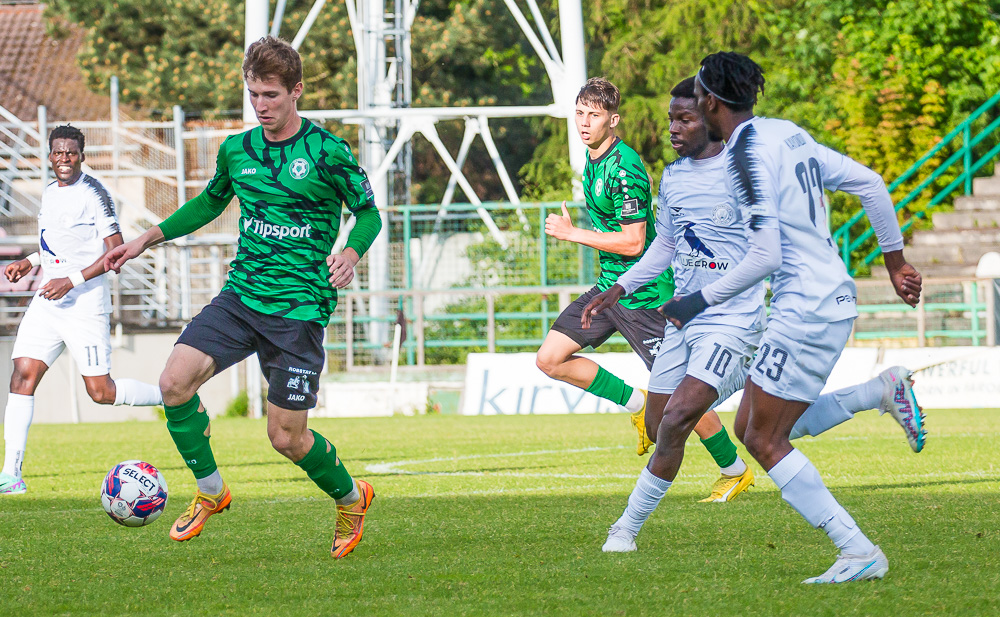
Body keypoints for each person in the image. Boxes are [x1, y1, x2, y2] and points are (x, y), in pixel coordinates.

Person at [586, 77, 926, 554]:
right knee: (676, 425)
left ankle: (624, 529)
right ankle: (870, 392)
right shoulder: (674, 176)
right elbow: (664, 244)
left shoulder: (747, 169)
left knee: (685, 418)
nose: (673, 129)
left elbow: (774, 245)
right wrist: (622, 286)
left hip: (734, 321)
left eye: (685, 119)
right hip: (683, 321)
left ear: (711, 117)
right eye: (671, 120)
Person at [104, 36, 382, 558]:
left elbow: (369, 213)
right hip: (242, 297)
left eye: (270, 95)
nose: (260, 105)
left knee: (286, 439)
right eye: (253, 94)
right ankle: (212, 492)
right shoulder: (237, 150)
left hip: (298, 309)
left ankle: (351, 498)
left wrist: (350, 252)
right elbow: (209, 203)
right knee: (173, 383)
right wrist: (147, 238)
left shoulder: (327, 151)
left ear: (296, 91)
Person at [535, 77, 751, 499]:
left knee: (682, 397)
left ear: (613, 120)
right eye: (579, 113)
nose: (584, 123)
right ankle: (637, 406)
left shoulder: (625, 167)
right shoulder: (593, 160)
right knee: (550, 358)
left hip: (646, 297)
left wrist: (572, 233)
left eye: (594, 115)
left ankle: (735, 469)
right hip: (610, 289)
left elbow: (635, 243)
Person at [1, 125, 163, 496]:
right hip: (48, 301)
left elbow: (115, 252)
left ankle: (172, 397)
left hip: (84, 305)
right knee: (22, 375)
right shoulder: (49, 191)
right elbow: (56, 244)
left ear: (82, 156)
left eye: (70, 153)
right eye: (58, 152)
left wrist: (71, 281)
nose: (64, 159)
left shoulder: (94, 193)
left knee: (101, 392)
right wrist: (29, 261)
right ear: (49, 156)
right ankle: (11, 474)